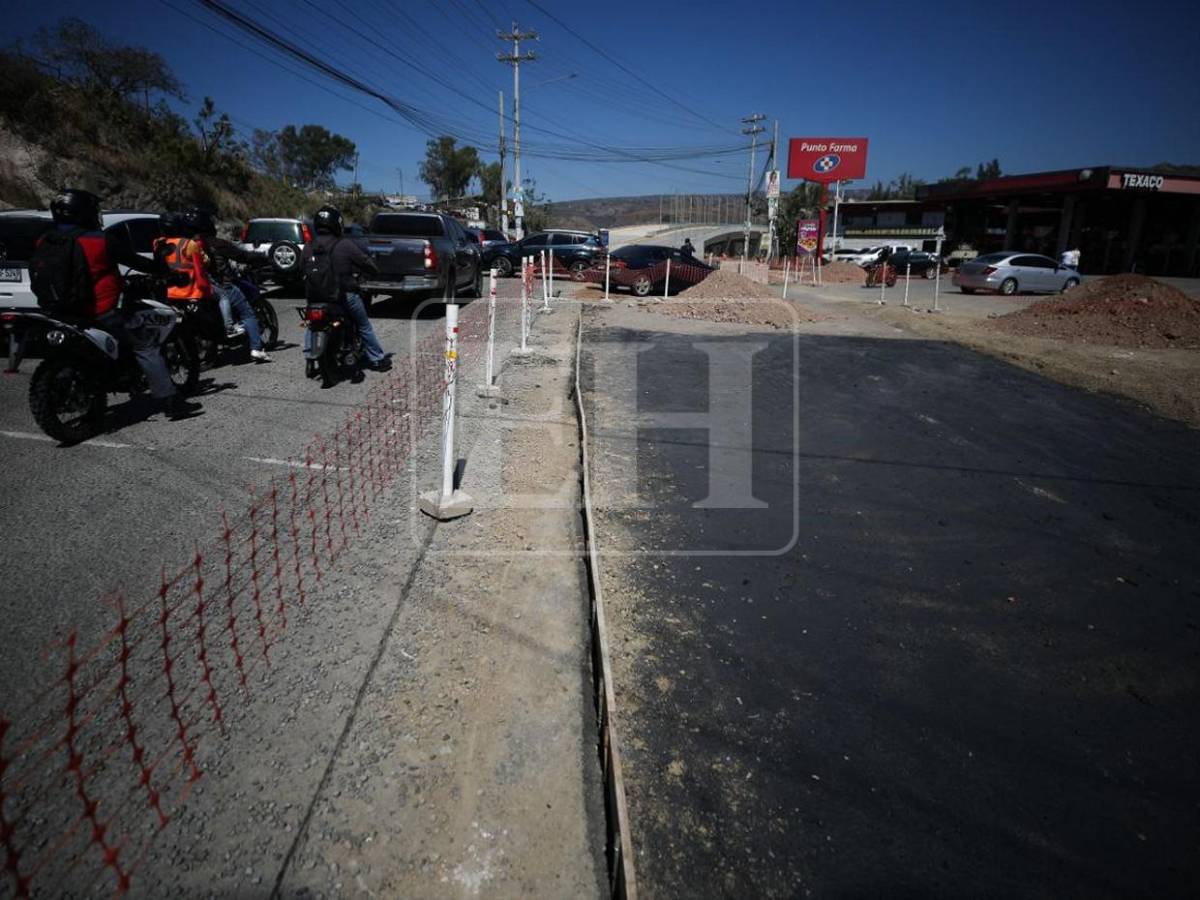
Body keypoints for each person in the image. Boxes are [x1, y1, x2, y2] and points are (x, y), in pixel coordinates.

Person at [37, 189, 200, 419]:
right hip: (102, 311)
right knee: (146, 345)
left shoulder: (45, 240)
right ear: (84, 212)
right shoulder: (100, 241)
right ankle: (170, 401)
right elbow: (139, 262)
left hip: (61, 312)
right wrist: (164, 268)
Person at [161, 208, 271, 362]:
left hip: (191, 288)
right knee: (247, 314)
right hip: (222, 284)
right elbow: (243, 256)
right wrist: (263, 256)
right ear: (207, 225)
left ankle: (215, 345)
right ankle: (256, 348)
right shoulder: (216, 244)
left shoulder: (177, 244)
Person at [300, 205, 391, 378]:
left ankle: (309, 359)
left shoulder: (308, 246)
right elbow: (366, 263)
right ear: (337, 224)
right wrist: (373, 270)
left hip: (315, 297)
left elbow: (301, 268)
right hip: (343, 295)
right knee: (363, 325)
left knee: (312, 324)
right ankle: (377, 359)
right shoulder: (344, 244)